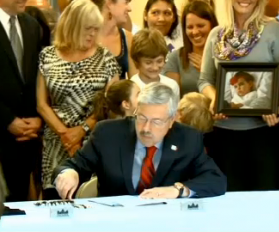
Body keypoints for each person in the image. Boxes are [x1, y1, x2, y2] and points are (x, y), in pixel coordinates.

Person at [198, 0, 279, 191]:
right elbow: (205, 80)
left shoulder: (273, 30)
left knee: (262, 203)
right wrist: (214, 99)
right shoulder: (217, 34)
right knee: (226, 201)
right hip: (223, 134)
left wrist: (274, 104)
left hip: (263, 135)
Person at [52, 82, 226, 199]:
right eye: (141, 118)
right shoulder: (108, 133)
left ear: (172, 120)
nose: (146, 128)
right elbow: (73, 165)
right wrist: (68, 173)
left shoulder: (188, 138)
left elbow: (216, 180)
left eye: (157, 121)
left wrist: (178, 190)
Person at [37, 0, 120, 200]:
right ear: (72, 26)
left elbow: (110, 103)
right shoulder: (48, 55)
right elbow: (41, 104)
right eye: (87, 29)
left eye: (95, 29)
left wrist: (82, 130)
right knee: (55, 203)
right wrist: (65, 133)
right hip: (56, 143)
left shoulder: (106, 58)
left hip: (92, 142)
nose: (92, 34)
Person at [0, 0, 43, 202]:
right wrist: (8, 121)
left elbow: (37, 76)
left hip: (26, 140)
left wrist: (36, 119)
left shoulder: (31, 25)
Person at [163, 1, 218, 96]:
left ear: (212, 26)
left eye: (200, 26)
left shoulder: (225, 55)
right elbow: (172, 99)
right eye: (190, 27)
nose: (195, 32)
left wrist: (206, 72)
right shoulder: (175, 58)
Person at [92, 0, 137, 79]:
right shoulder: (86, 36)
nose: (129, 8)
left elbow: (134, 81)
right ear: (109, 4)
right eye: (126, 2)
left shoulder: (128, 38)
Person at [130, 29, 180, 99]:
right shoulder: (130, 88)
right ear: (137, 61)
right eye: (148, 63)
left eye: (159, 61)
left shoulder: (172, 86)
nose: (155, 67)